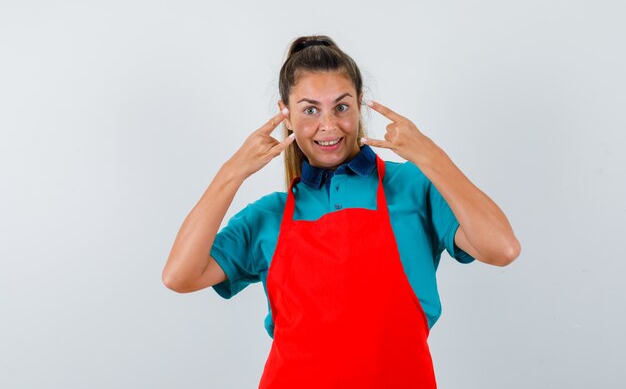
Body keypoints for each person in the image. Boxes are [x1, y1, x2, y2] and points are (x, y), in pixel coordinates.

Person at [162, 35, 521, 388]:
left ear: (360, 105)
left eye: (342, 106)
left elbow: (501, 249)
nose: (329, 125)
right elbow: (179, 276)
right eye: (310, 109)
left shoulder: (413, 186)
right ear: (285, 115)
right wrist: (232, 171)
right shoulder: (270, 215)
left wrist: (428, 154)